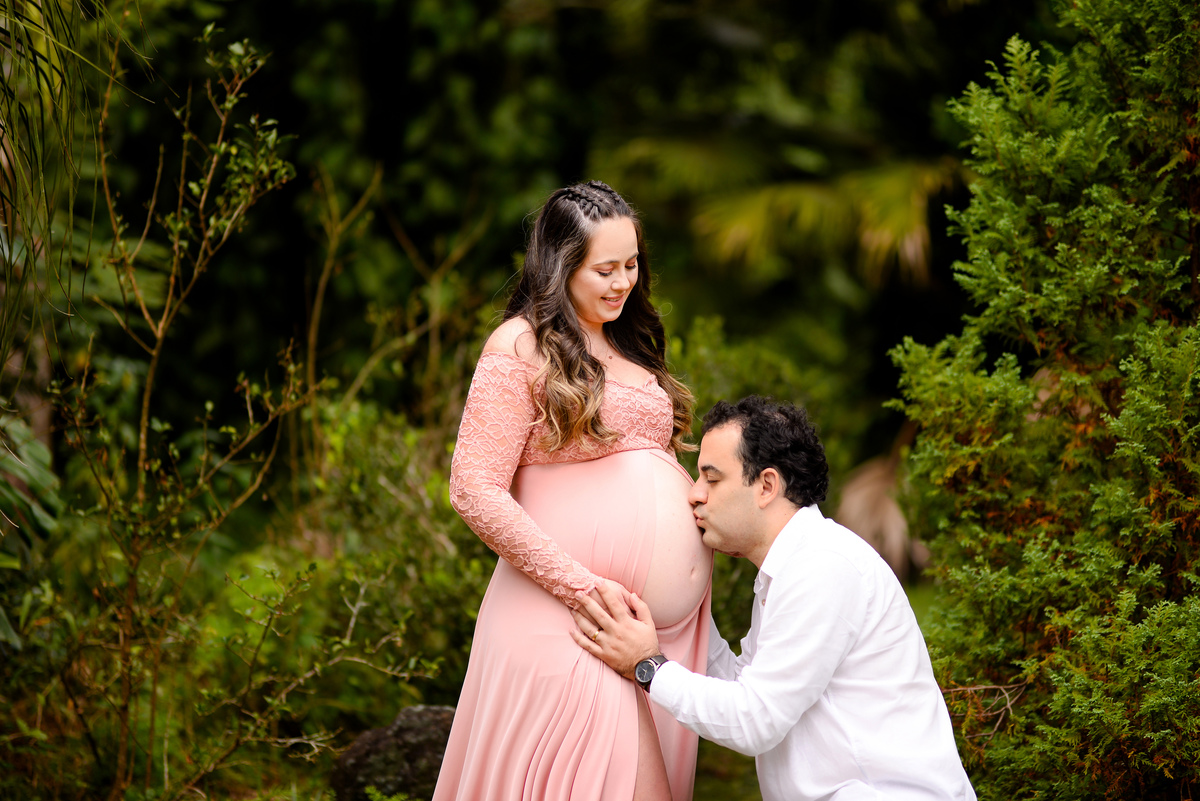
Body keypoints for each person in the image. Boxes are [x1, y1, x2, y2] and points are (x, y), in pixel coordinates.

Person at [433, 181, 713, 801]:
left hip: (633, 630)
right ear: (560, 267)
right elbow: (472, 488)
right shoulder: (519, 346)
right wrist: (582, 589)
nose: (623, 284)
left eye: (633, 265)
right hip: (562, 616)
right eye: (604, 269)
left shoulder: (628, 346)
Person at [572, 396, 977, 801]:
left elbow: (753, 722)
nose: (694, 495)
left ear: (766, 485)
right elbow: (739, 686)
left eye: (711, 479)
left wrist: (647, 666)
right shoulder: (788, 570)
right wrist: (679, 605)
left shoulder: (822, 567)